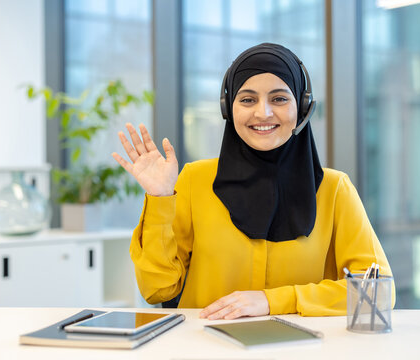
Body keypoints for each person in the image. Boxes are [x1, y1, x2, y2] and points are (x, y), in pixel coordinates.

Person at [112, 43, 395, 320]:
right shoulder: (193, 181)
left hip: (301, 350)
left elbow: (379, 292)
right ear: (228, 108)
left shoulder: (334, 190)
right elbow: (157, 290)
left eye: (279, 99)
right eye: (247, 99)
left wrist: (273, 301)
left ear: (303, 107)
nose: (263, 113)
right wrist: (161, 198)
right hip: (206, 348)